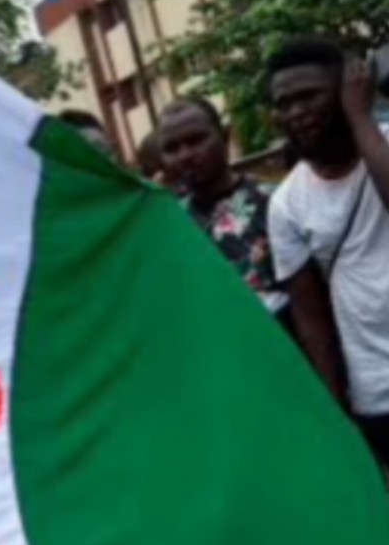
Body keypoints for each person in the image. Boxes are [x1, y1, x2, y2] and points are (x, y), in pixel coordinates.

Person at [265, 37, 389, 464]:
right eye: (284, 104)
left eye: (309, 96)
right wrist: (336, 415)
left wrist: (361, 119)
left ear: (346, 89)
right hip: (378, 392)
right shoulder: (286, 204)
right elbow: (310, 318)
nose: (296, 112)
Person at [158, 97, 289, 325]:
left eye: (196, 140)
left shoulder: (275, 202)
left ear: (225, 137)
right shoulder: (167, 225)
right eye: (172, 148)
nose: (185, 155)